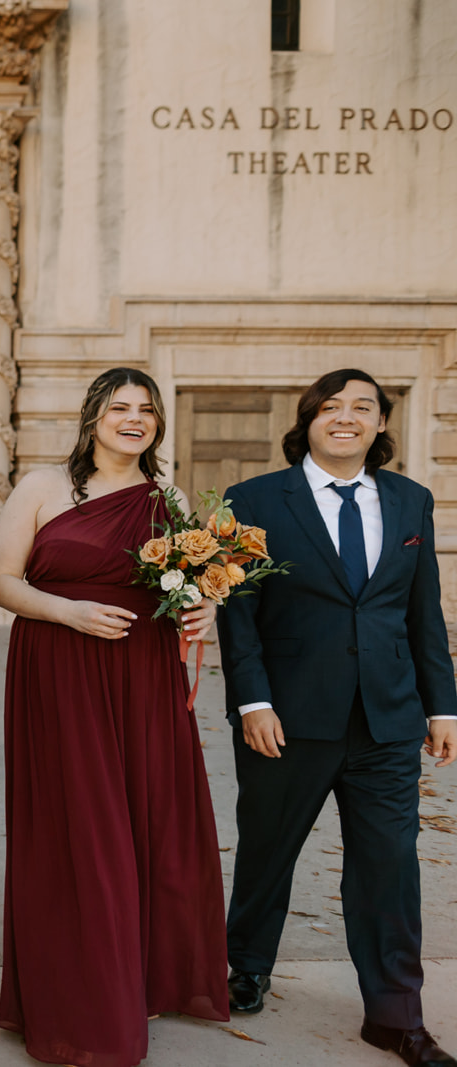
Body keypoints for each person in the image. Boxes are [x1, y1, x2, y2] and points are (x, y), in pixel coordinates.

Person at [0, 367, 229, 1066]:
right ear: (93, 415)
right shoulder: (41, 487)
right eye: (120, 407)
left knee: (147, 825)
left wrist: (201, 607)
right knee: (79, 829)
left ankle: (140, 979)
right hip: (60, 671)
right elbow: (3, 578)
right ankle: (75, 997)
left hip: (142, 674)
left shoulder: (169, 496)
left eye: (146, 409)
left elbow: (183, 581)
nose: (134, 418)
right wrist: (68, 610)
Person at [217, 369, 457, 1066]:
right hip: (286, 717)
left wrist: (443, 704)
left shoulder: (411, 501)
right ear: (308, 420)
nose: (345, 417)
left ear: (383, 422)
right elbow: (241, 614)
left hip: (387, 720)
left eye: (362, 407)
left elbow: (422, 612)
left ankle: (393, 1013)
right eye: (331, 406)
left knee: (390, 867)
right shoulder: (254, 498)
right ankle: (247, 962)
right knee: (267, 850)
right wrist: (252, 700)